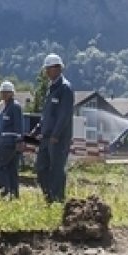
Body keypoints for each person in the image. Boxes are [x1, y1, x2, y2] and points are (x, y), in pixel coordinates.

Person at [32, 53, 74, 204]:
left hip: (58, 139)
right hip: (46, 137)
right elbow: (46, 115)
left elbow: (64, 114)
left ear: (57, 68)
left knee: (56, 170)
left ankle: (57, 200)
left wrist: (56, 134)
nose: (46, 72)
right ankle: (49, 198)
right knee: (41, 168)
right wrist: (37, 130)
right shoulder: (51, 89)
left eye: (48, 69)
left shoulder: (65, 88)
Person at [0, 80, 23, 199]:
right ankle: (13, 195)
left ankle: (5, 191)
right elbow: (3, 127)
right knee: (11, 168)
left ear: (12, 93)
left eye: (6, 92)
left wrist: (19, 140)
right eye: (2, 92)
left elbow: (18, 125)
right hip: (6, 141)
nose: (4, 95)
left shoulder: (15, 107)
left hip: (10, 142)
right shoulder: (7, 108)